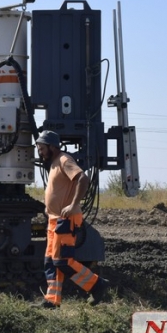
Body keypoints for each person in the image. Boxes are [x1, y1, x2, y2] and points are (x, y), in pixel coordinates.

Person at [34, 130, 110, 308]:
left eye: (42, 148)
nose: (40, 152)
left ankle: (97, 285)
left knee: (62, 261)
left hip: (66, 219)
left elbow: (82, 179)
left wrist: (74, 204)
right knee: (51, 262)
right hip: (54, 220)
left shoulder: (64, 160)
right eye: (39, 148)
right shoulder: (53, 163)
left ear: (52, 146)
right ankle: (52, 300)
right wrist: (49, 208)